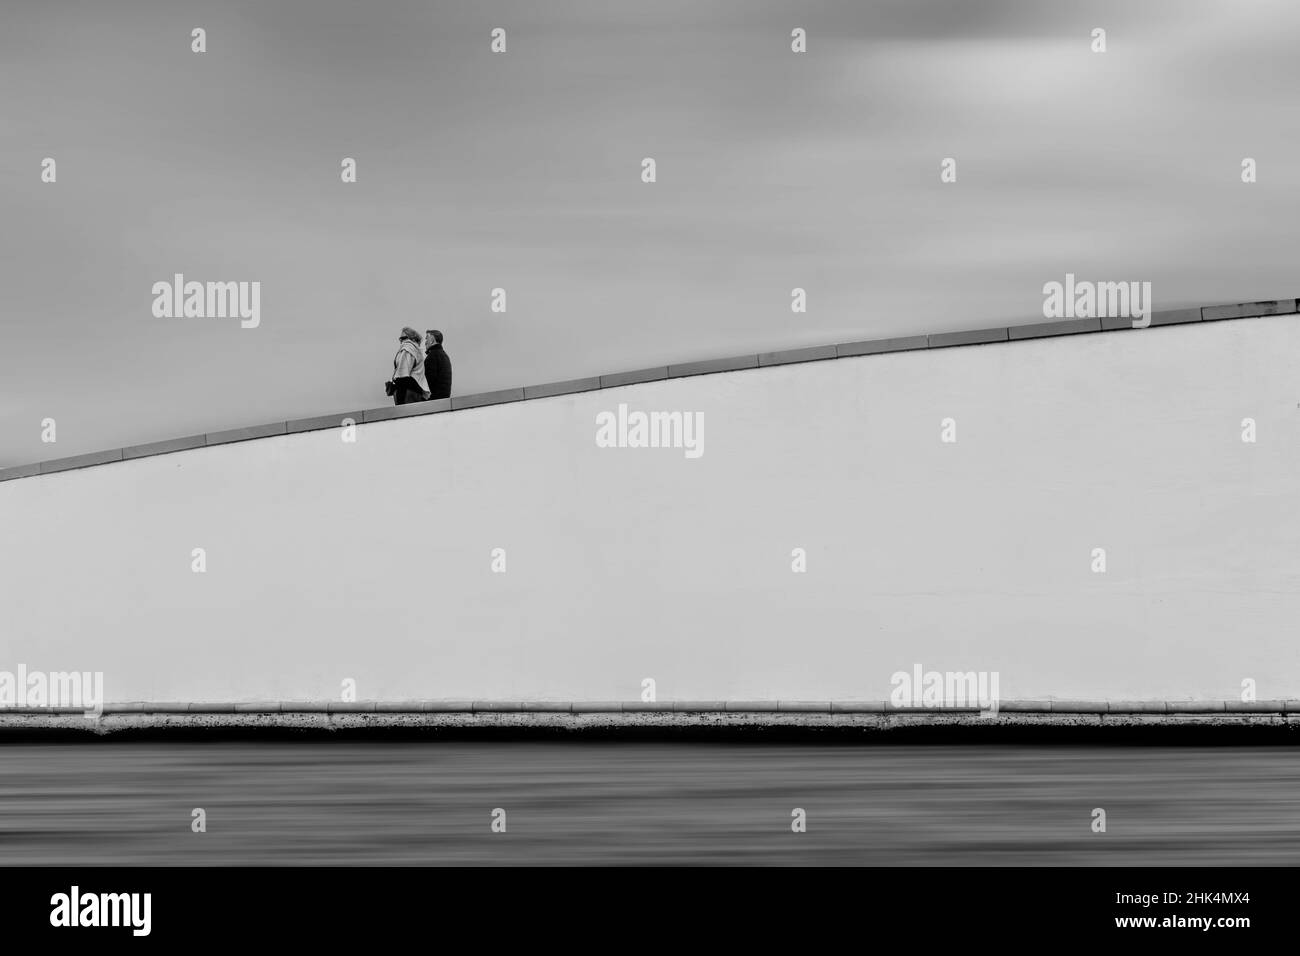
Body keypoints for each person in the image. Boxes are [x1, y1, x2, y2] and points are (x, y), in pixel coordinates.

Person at [388, 327, 430, 405]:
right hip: (416, 391)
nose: (401, 341)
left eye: (403, 338)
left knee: (406, 415)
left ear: (412, 339)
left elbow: (402, 375)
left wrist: (400, 401)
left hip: (407, 392)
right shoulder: (417, 351)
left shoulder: (407, 349)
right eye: (400, 339)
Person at [424, 329, 452, 400]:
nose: (425, 342)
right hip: (443, 399)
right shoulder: (444, 355)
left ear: (432, 340)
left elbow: (428, 381)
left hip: (434, 399)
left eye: (427, 338)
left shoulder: (432, 356)